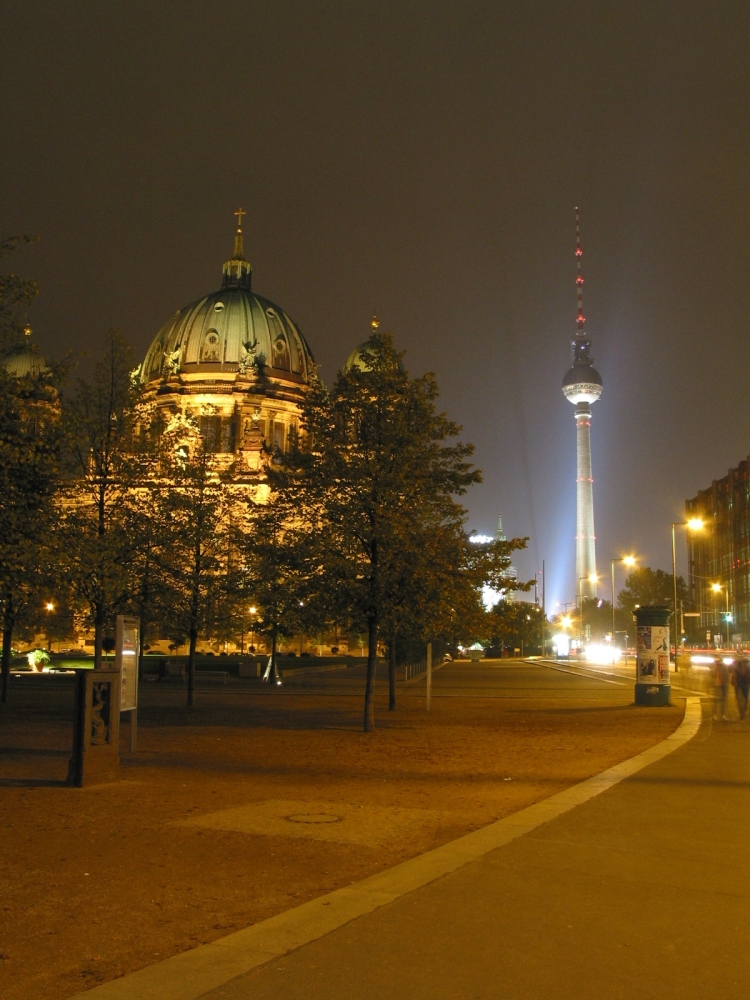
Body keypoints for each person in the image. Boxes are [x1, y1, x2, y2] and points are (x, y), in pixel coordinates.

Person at [732, 655, 750, 721]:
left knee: (739, 699)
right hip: (746, 684)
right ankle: (744, 710)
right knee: (745, 698)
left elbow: (731, 670)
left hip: (738, 684)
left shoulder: (737, 665)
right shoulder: (748, 666)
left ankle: (741, 713)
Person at [712, 655, 729, 721]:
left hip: (719, 684)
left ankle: (717, 715)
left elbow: (713, 675)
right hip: (721, 684)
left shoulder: (715, 666)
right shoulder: (724, 666)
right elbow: (727, 675)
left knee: (717, 700)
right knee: (722, 700)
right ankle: (722, 715)